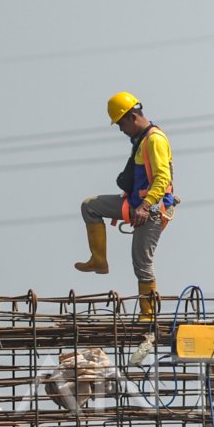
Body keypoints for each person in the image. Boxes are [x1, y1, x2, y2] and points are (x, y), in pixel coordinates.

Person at [76, 91, 179, 323]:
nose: (121, 130)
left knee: (142, 263)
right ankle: (99, 260)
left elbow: (162, 178)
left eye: (121, 123)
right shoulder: (141, 139)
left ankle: (148, 314)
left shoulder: (154, 140)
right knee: (90, 206)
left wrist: (145, 206)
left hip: (151, 209)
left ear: (132, 116)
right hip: (134, 204)